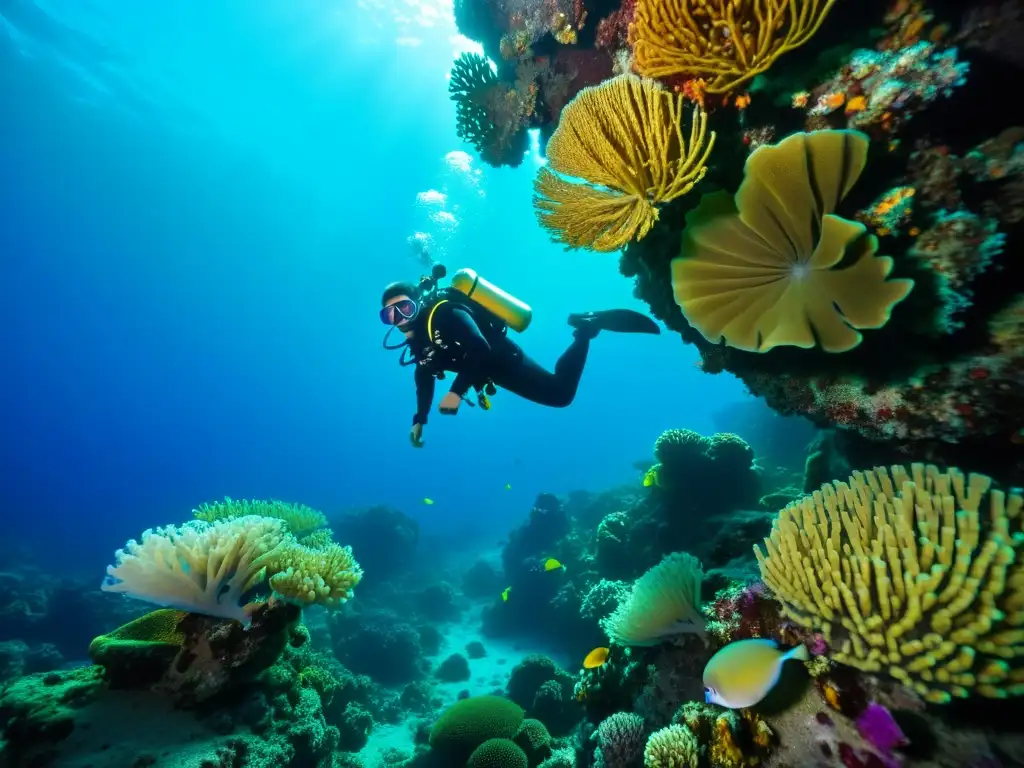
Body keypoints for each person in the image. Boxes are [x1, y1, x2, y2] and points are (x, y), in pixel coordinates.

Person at [379, 278, 660, 448]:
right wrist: (420, 420)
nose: (400, 318)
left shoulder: (445, 312)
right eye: (390, 315)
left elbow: (479, 347)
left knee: (561, 394)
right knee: (559, 394)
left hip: (503, 359)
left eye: (404, 308)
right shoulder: (420, 340)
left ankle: (586, 327)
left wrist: (455, 392)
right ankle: (585, 326)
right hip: (489, 372)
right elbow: (424, 375)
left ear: (418, 303)